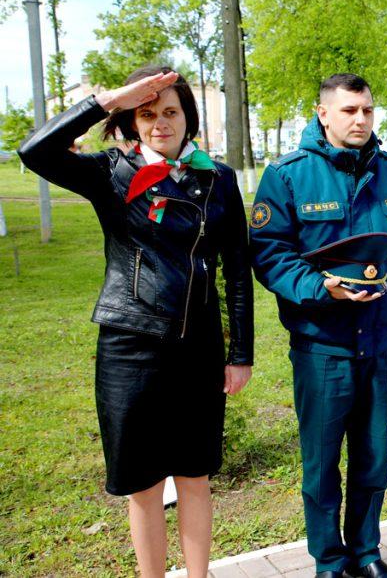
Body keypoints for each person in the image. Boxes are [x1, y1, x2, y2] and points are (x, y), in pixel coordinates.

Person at [18, 67, 254, 577]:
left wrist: (240, 354)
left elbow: (238, 271)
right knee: (143, 483)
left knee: (195, 476)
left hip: (198, 347)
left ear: (188, 118)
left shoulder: (218, 179)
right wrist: (108, 100)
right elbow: (34, 151)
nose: (160, 123)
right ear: (131, 120)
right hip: (130, 348)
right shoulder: (111, 172)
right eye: (147, 113)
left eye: (170, 112)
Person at [249, 73, 387, 578]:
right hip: (322, 345)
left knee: (374, 458)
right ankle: (328, 561)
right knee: (321, 463)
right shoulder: (289, 175)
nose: (360, 119)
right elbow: (269, 253)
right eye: (349, 110)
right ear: (323, 112)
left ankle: (366, 553)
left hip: (382, 343)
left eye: (367, 110)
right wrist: (318, 288)